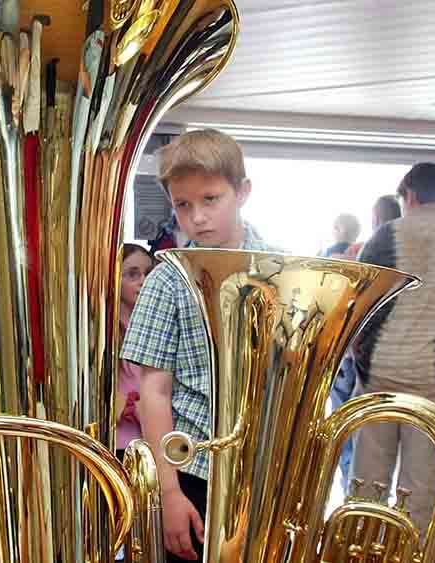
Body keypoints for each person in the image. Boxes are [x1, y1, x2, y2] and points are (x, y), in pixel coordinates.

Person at [121, 129, 281, 562]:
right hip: (192, 472)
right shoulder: (166, 278)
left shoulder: (282, 269)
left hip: (266, 470)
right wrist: (169, 492)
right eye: (183, 205)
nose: (198, 218)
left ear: (242, 192)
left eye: (211, 199)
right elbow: (154, 392)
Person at [350, 162, 435, 533]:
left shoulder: (384, 235)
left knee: (367, 481)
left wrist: (358, 349)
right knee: (421, 488)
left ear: (409, 195)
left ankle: (360, 551)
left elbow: (358, 300)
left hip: (380, 372)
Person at [328, 193, 403, 488]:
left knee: (349, 428)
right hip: (381, 358)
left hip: (354, 354)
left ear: (375, 218)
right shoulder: (393, 251)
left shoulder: (364, 250)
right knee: (374, 435)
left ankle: (352, 488)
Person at [116, 243, 155, 458]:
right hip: (119, 442)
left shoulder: (159, 325)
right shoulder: (102, 329)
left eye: (148, 273)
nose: (143, 280)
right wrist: (129, 407)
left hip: (156, 440)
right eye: (132, 274)